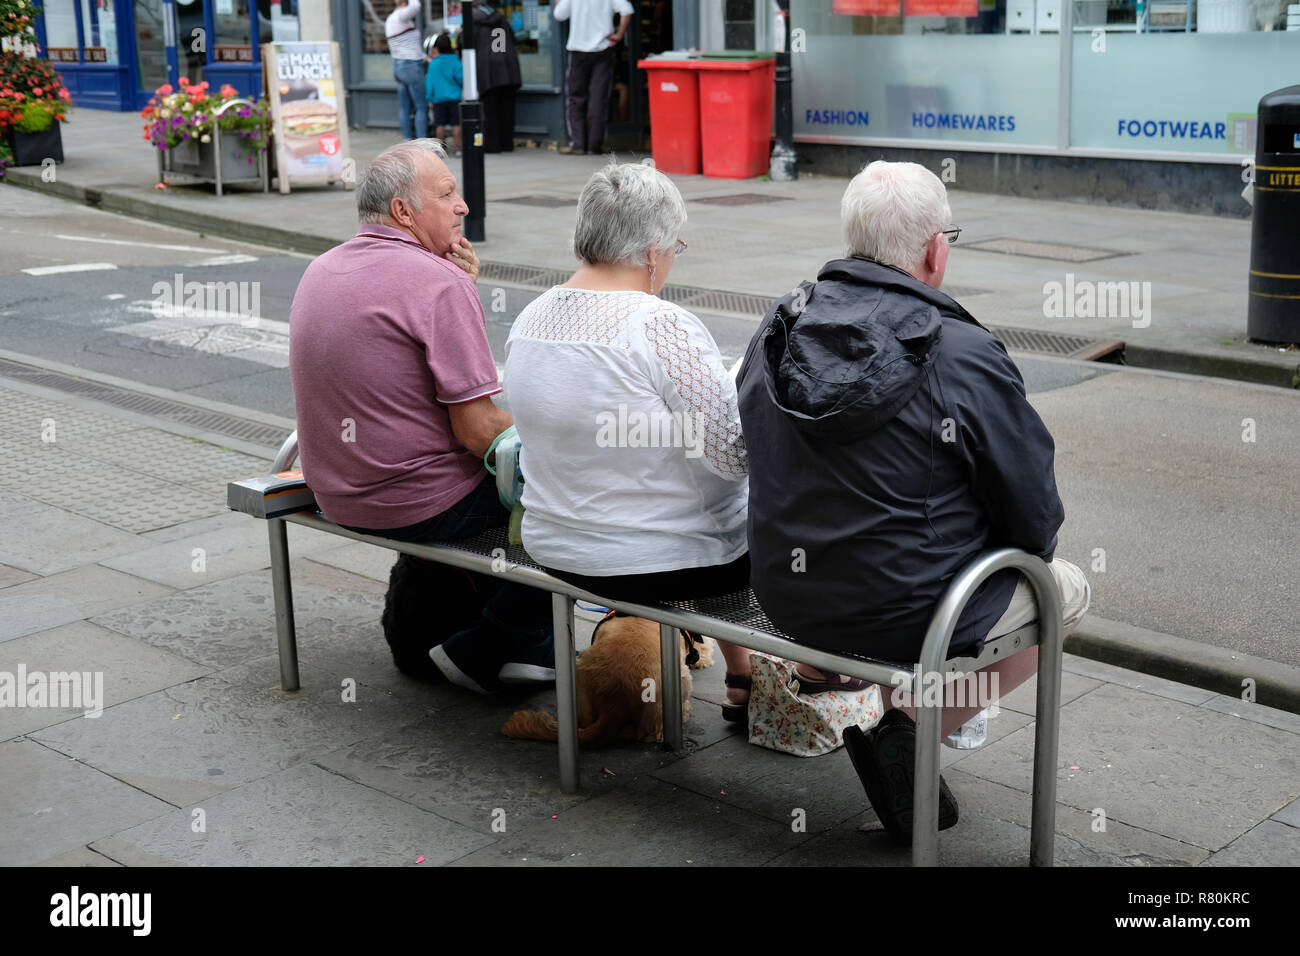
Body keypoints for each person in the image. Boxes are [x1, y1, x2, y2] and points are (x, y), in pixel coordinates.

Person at [736, 160, 1090, 841]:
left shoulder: (777, 329)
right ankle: (913, 726)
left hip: (785, 592)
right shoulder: (963, 351)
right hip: (909, 614)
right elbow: (1036, 517)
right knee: (1064, 588)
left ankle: (903, 721)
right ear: (935, 249)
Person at [288, 139, 555, 696]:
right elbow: (479, 431)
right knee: (576, 509)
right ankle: (489, 647)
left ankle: (520, 646)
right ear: (405, 212)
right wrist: (559, 442)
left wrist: (459, 287)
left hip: (336, 491)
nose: (462, 205)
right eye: (447, 193)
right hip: (410, 502)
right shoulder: (437, 283)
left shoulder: (321, 267)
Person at [502, 162, 758, 718]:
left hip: (554, 544)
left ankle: (746, 675)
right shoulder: (660, 325)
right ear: (651, 250)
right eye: (675, 247)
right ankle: (785, 678)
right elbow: (733, 458)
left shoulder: (530, 316)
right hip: (660, 559)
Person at [553, 0, 632, 155]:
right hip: (602, 49)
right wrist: (619, 34)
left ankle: (578, 144)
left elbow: (559, 15)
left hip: (578, 50)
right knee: (599, 97)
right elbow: (627, 10)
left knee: (576, 97)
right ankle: (594, 145)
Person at [471, 3, 522, 153]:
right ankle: (507, 143)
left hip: (488, 69)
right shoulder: (500, 19)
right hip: (508, 67)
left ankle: (493, 145)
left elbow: (466, 44)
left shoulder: (473, 21)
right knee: (507, 109)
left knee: (490, 110)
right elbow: (509, 40)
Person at [386, 0, 428, 140]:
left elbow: (407, 45)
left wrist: (424, 57)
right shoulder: (401, 16)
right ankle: (422, 142)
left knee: (404, 108)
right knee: (421, 107)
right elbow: (416, 6)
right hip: (411, 66)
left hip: (398, 65)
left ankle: (407, 140)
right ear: (405, 4)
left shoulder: (390, 19)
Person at [426, 32, 463, 156]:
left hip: (438, 99)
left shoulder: (433, 64)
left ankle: (440, 151)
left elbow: (429, 83)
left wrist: (429, 98)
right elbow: (461, 79)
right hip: (454, 98)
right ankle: (458, 149)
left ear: (437, 48)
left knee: (439, 125)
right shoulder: (455, 62)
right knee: (456, 124)